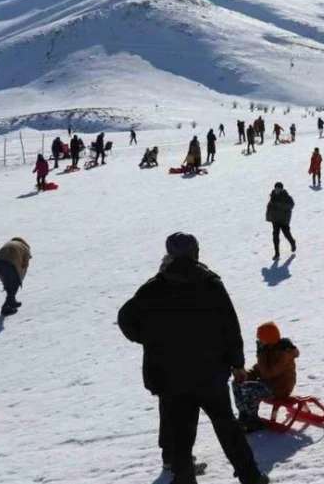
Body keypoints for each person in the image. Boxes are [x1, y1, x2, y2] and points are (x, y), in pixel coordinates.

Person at [118, 233, 269, 484]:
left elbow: (126, 319)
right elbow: (230, 326)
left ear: (169, 254)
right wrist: (238, 364)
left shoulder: (154, 288)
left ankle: (184, 480)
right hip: (210, 373)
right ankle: (250, 477)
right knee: (226, 426)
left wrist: (149, 339)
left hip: (169, 375)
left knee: (180, 433)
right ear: (196, 253)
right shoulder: (210, 283)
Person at [232, 321, 300, 433]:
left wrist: (261, 354)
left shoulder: (285, 354)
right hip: (268, 385)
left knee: (248, 388)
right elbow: (259, 368)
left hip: (279, 389)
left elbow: (268, 373)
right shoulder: (270, 349)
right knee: (237, 383)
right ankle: (244, 415)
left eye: (261, 338)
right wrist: (246, 375)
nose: (259, 341)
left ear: (269, 338)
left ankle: (253, 420)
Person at [0, 237, 31, 316]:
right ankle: (9, 303)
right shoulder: (25, 248)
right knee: (13, 284)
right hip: (10, 263)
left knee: (9, 284)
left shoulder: (9, 244)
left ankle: (8, 304)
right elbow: (24, 266)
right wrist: (19, 280)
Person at [266, 182, 296, 260]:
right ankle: (277, 253)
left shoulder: (286, 196)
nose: (277, 190)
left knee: (286, 234)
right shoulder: (272, 195)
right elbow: (270, 205)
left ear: (281, 189)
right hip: (275, 219)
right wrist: (268, 216)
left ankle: (292, 242)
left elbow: (291, 205)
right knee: (275, 236)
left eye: (278, 189)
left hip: (284, 219)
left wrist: (280, 205)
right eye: (276, 188)